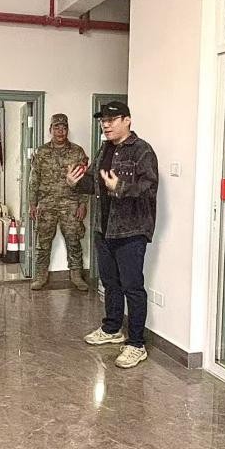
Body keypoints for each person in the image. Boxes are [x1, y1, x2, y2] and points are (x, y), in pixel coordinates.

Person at [67, 101, 158, 369]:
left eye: (111, 120)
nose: (105, 125)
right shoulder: (104, 149)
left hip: (131, 231)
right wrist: (76, 183)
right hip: (103, 228)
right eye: (103, 121)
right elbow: (93, 183)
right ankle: (112, 328)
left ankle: (136, 344)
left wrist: (121, 186)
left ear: (127, 120)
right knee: (110, 283)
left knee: (132, 287)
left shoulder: (142, 150)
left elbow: (148, 187)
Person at [28, 113, 89, 291]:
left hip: (71, 203)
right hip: (46, 203)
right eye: (57, 127)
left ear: (67, 130)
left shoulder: (77, 152)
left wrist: (83, 204)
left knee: (74, 240)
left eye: (64, 127)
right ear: (50, 130)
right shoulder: (41, 152)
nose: (60, 131)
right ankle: (40, 276)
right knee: (43, 242)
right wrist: (32, 203)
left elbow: (85, 180)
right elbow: (34, 179)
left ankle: (76, 276)